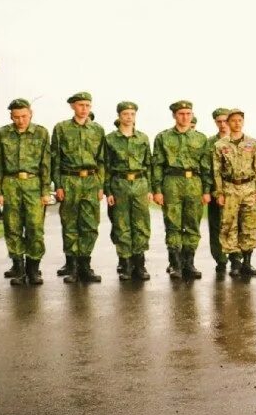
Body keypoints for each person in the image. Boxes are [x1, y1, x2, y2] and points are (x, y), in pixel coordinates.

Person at [0, 98, 52, 286]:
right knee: (13, 228)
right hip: (10, 184)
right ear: (11, 116)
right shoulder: (3, 133)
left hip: (33, 184)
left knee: (35, 228)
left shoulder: (41, 132)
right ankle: (18, 269)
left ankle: (33, 270)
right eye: (16, 117)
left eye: (24, 116)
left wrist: (45, 190)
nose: (20, 120)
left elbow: (45, 163)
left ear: (31, 114)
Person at [152, 100, 212, 279]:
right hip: (172, 182)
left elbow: (206, 166)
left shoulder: (201, 138)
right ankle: (175, 264)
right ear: (174, 115)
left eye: (188, 113)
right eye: (181, 114)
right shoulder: (163, 137)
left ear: (192, 115)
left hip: (194, 182)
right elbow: (157, 165)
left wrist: (207, 189)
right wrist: (157, 189)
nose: (185, 117)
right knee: (173, 225)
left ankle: (189, 263)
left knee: (192, 224)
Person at [51, 92, 106, 283]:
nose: (84, 108)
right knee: (70, 224)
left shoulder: (98, 130)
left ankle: (85, 265)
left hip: (91, 181)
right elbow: (55, 159)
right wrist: (58, 185)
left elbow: (101, 160)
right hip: (69, 179)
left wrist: (100, 185)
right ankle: (72, 267)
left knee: (90, 225)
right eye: (81, 105)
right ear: (72, 106)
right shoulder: (61, 128)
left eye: (88, 105)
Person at [212, 109, 256, 277]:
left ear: (243, 122)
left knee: (249, 226)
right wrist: (219, 193)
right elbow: (216, 171)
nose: (237, 123)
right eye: (233, 120)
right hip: (229, 188)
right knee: (230, 226)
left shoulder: (253, 143)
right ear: (228, 123)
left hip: (249, 189)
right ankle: (235, 262)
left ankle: (247, 263)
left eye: (240, 120)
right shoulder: (220, 145)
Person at [104, 101, 152, 281]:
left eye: (132, 114)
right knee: (121, 224)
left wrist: (150, 189)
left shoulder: (143, 138)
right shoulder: (110, 139)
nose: (129, 117)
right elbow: (106, 167)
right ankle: (125, 263)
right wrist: (108, 191)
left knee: (141, 225)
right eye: (125, 114)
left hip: (140, 183)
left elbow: (149, 165)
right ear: (119, 116)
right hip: (119, 184)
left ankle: (139, 264)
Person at [205, 108, 231, 273]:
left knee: (237, 225)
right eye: (219, 121)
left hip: (237, 190)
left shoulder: (242, 141)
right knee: (216, 226)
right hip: (216, 190)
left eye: (225, 120)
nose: (223, 124)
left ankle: (237, 260)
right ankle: (220, 259)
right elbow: (206, 169)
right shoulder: (209, 143)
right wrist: (208, 191)